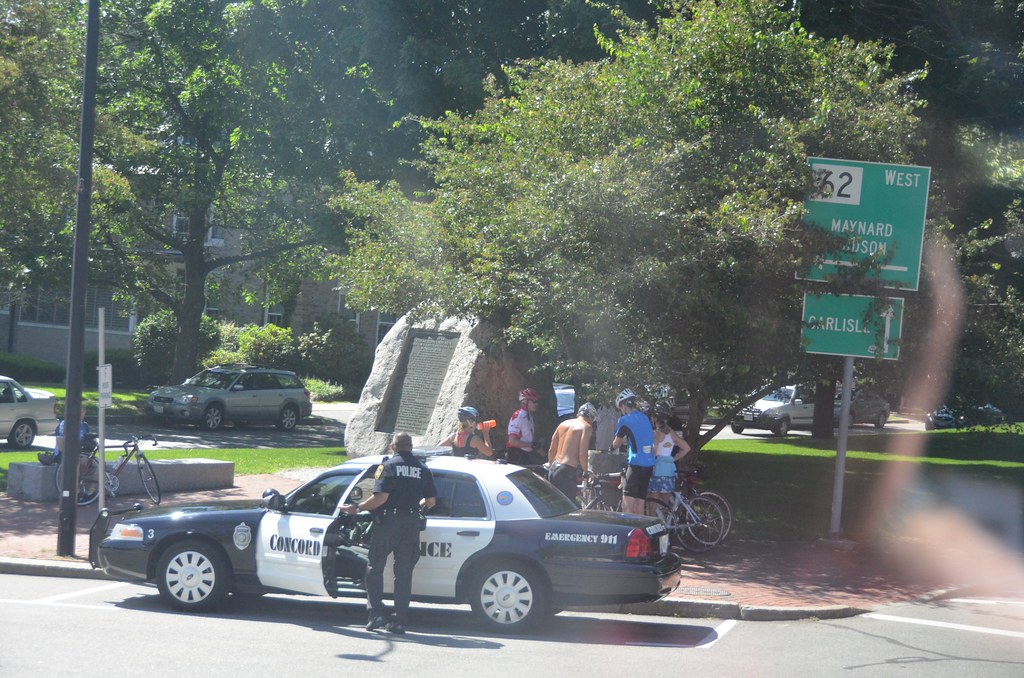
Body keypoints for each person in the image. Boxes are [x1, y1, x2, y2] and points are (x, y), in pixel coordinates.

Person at [342, 432, 436, 634]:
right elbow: (430, 502)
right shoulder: (422, 469)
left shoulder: (388, 466)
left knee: (375, 567)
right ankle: (400, 620)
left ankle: (375, 614)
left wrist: (357, 508)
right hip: (411, 524)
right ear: (410, 447)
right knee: (403, 573)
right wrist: (413, 506)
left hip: (388, 524)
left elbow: (380, 498)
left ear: (393, 447)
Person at [610, 388, 655, 515]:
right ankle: (639, 532)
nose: (621, 411)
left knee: (627, 504)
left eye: (620, 408)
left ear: (624, 405)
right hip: (649, 465)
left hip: (636, 464)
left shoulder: (624, 420)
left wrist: (611, 447)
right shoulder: (645, 418)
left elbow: (616, 443)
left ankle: (628, 531)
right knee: (639, 503)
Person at [546, 402, 597, 500]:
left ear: (578, 414)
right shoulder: (586, 427)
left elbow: (552, 449)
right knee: (568, 509)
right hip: (567, 471)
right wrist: (586, 471)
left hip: (553, 469)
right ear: (591, 418)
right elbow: (582, 453)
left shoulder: (563, 424)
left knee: (554, 505)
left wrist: (550, 463)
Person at [647, 404, 691, 506]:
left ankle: (653, 521)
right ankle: (666, 521)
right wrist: (673, 458)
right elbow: (686, 448)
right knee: (665, 502)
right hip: (669, 469)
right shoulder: (671, 433)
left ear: (655, 418)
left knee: (652, 501)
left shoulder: (656, 434)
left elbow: (654, 452)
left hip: (657, 469)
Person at [506, 387, 540, 464]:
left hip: (525, 455)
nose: (536, 404)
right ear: (525, 401)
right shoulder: (519, 416)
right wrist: (531, 445)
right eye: (534, 401)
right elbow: (512, 441)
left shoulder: (528, 416)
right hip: (516, 455)